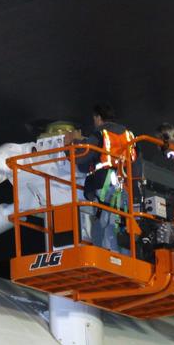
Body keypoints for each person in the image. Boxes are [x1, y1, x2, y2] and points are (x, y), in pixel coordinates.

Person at [75, 103, 135, 253]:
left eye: (94, 118)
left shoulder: (100, 134)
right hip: (123, 184)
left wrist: (72, 144)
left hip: (104, 183)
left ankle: (111, 258)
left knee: (106, 222)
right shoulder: (127, 135)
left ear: (98, 117)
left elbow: (81, 157)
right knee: (121, 222)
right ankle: (126, 259)